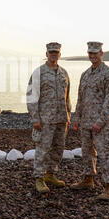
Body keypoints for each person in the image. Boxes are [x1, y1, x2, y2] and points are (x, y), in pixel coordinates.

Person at [71, 41, 109, 200]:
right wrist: (76, 118)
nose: (92, 56)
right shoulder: (85, 74)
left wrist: (100, 121)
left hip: (101, 123)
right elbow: (80, 98)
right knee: (87, 152)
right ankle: (88, 179)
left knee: (105, 153)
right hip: (85, 121)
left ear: (101, 53)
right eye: (90, 53)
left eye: (95, 53)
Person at [26, 42, 71, 193]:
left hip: (61, 118)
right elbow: (31, 97)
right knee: (43, 149)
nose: (53, 54)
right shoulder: (39, 73)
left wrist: (69, 115)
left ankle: (50, 175)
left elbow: (67, 97)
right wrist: (35, 119)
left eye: (56, 52)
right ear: (46, 54)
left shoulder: (64, 73)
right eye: (51, 52)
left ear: (59, 54)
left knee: (58, 148)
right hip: (45, 119)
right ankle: (39, 178)